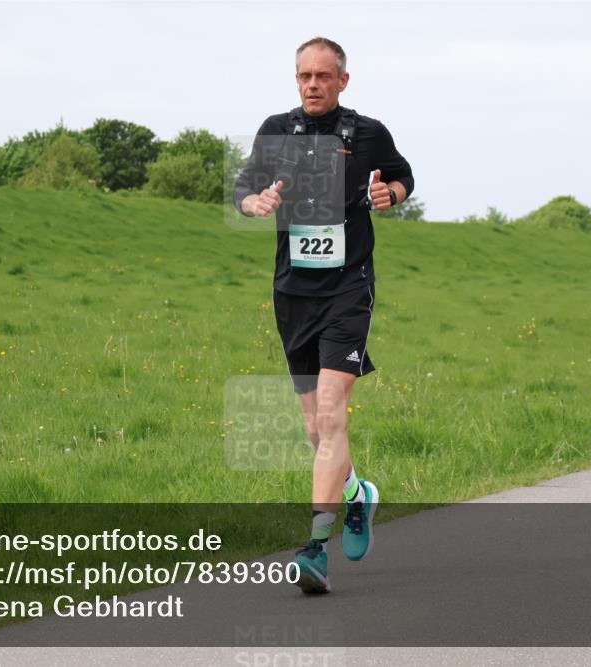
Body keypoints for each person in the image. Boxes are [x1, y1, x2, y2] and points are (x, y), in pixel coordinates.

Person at [233, 37, 414, 594]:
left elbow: (403, 174)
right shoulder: (275, 130)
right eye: (303, 76)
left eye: (322, 76)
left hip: (348, 290)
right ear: (296, 80)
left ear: (342, 80)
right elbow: (243, 186)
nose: (312, 84)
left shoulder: (367, 133)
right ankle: (357, 494)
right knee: (315, 429)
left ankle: (314, 546)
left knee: (333, 418)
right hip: (292, 292)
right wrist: (252, 203)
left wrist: (393, 195)